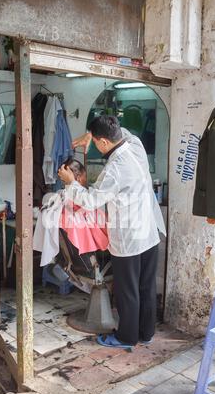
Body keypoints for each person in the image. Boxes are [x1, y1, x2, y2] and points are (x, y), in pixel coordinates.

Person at [58, 116, 166, 349]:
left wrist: (70, 183)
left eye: (97, 142)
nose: (96, 145)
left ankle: (126, 337)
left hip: (128, 239)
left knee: (127, 291)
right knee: (146, 287)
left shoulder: (114, 169)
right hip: (148, 232)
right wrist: (90, 135)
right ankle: (146, 333)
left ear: (104, 142)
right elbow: (122, 131)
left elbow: (90, 200)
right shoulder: (135, 145)